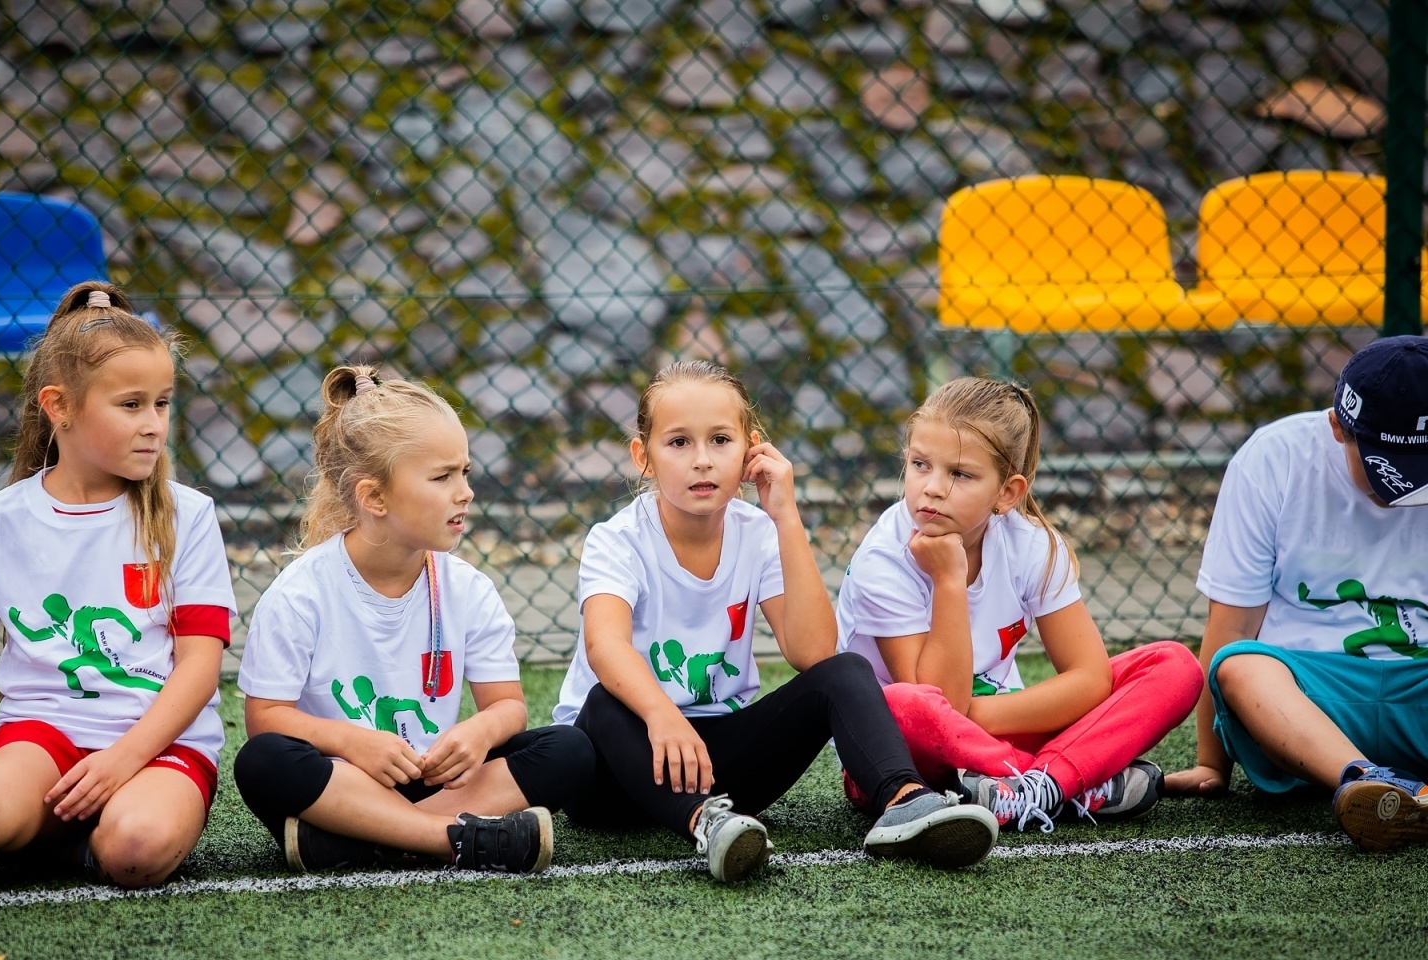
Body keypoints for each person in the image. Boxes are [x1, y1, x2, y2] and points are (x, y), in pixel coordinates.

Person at [554, 360, 997, 882]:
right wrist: (662, 715)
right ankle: (707, 825)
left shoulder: (759, 531)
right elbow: (605, 647)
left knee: (845, 671)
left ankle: (905, 800)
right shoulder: (618, 539)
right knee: (604, 702)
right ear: (643, 457)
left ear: (750, 450)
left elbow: (812, 652)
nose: (702, 460)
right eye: (678, 443)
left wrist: (785, 516)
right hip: (616, 768)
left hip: (718, 763)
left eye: (720, 440)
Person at [0, 282, 237, 887]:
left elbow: (199, 668)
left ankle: (79, 826)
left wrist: (123, 760)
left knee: (135, 853)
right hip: (44, 735)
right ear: (60, 407)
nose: (154, 425)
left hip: (158, 745)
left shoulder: (190, 515)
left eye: (162, 403)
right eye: (131, 405)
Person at [233, 365, 594, 874]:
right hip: (343, 781)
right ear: (374, 497)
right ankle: (459, 839)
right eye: (442, 477)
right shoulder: (301, 593)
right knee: (264, 761)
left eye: (464, 472)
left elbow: (508, 706)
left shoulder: (467, 589)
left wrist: (478, 734)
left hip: (434, 780)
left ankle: (358, 845)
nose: (464, 491)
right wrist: (353, 741)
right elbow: (264, 718)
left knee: (570, 749)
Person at [838, 378, 1201, 832]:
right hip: (907, 759)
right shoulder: (882, 561)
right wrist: (949, 579)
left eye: (960, 474)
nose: (931, 488)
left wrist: (980, 713)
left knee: (1174, 665)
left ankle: (1037, 787)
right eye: (919, 465)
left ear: (1007, 493)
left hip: (997, 724)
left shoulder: (1032, 547)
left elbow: (1089, 677)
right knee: (899, 704)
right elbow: (937, 704)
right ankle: (1069, 781)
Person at [1166, 337, 1428, 851]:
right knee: (1240, 665)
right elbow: (1232, 625)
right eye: (1384, 466)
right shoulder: (1275, 457)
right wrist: (1209, 763)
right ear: (1338, 427)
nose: (1401, 491)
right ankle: (1370, 784)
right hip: (1310, 700)